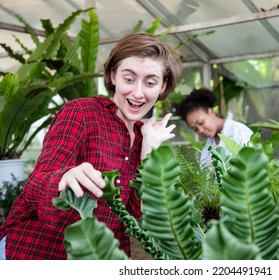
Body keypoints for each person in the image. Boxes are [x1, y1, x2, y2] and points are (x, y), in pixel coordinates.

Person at [0, 32, 182, 260]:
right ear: (113, 75)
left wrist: (148, 147)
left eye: (150, 82)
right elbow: (36, 183)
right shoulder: (81, 112)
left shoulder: (141, 136)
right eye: (129, 78)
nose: (137, 92)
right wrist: (65, 177)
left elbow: (135, 212)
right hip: (35, 252)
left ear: (162, 87)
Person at [178, 87, 253, 166]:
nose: (201, 130)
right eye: (195, 129)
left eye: (201, 122)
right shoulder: (207, 149)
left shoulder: (239, 132)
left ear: (211, 112)